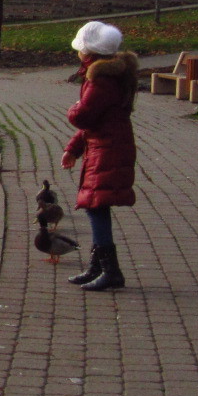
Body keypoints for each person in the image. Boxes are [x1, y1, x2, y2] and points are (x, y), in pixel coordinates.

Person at [60, 21, 138, 292]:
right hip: (105, 144)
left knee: (96, 205)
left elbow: (84, 117)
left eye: (79, 49)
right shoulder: (106, 75)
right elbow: (95, 123)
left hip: (108, 148)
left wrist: (73, 109)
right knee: (95, 204)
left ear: (87, 52)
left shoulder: (101, 80)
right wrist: (73, 148)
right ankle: (97, 266)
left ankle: (110, 270)